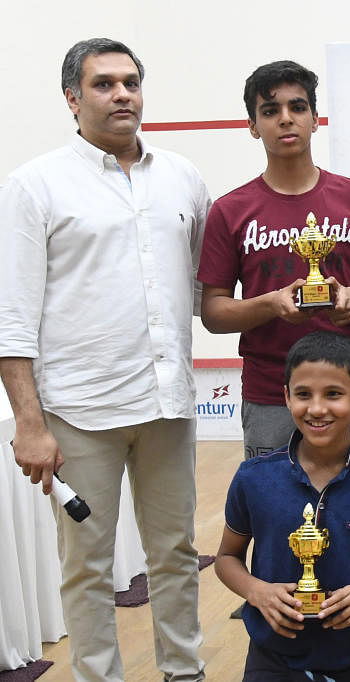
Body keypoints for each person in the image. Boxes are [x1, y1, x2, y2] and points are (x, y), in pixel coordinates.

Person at [0, 38, 208, 681]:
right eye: (103, 84)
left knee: (174, 552)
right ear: (73, 98)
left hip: (167, 403)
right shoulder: (34, 185)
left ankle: (185, 671)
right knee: (87, 566)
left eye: (130, 83)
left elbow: (208, 288)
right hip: (77, 413)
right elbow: (12, 317)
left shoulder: (183, 177)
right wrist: (29, 424)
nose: (122, 95)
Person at [199, 60, 350, 460]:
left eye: (297, 108)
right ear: (252, 126)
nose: (286, 119)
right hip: (271, 394)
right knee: (276, 520)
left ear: (315, 119)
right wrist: (270, 304)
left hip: (347, 388)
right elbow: (213, 311)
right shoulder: (230, 210)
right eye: (270, 111)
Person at [214, 331, 350, 680]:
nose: (316, 408)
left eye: (333, 394)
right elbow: (226, 558)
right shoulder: (253, 478)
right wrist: (257, 591)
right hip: (273, 659)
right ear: (286, 397)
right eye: (302, 395)